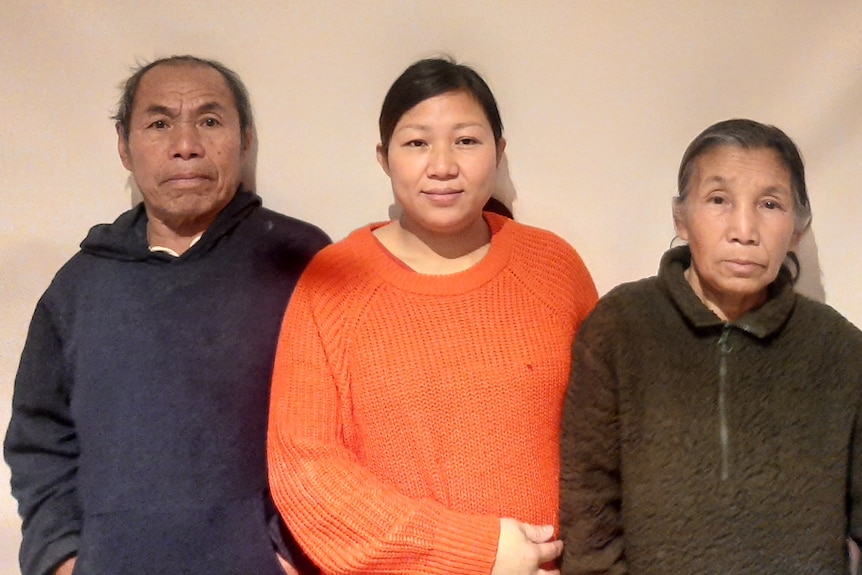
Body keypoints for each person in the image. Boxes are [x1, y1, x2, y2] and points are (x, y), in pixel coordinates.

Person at [267, 57, 598, 575]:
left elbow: (606, 437)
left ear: (499, 151)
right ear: (384, 157)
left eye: (466, 141)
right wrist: (476, 552)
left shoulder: (554, 267)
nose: (442, 165)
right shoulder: (333, 282)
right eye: (417, 143)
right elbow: (305, 469)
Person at [4, 55, 331, 575]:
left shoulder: (300, 260)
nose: (186, 145)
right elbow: (39, 437)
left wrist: (291, 553)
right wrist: (62, 556)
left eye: (209, 120)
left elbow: (346, 425)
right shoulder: (81, 286)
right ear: (123, 145)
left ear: (245, 138)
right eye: (159, 123)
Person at [559, 118, 862, 573]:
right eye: (718, 200)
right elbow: (589, 507)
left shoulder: (839, 349)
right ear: (681, 217)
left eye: (770, 204)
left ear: (798, 227)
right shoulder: (621, 327)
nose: (744, 229)